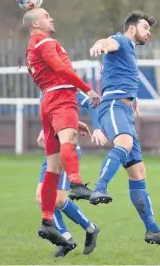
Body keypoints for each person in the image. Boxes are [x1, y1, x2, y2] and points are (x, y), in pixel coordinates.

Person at [82, 10, 160, 248]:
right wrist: (99, 44)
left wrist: (133, 101)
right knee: (123, 144)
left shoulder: (130, 50)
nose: (149, 32)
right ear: (132, 28)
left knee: (138, 174)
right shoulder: (123, 40)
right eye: (146, 27)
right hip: (114, 106)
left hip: (124, 109)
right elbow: (109, 43)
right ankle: (99, 189)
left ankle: (153, 231)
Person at [23, 7, 101, 247]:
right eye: (46, 16)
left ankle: (47, 221)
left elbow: (49, 75)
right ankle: (77, 184)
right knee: (71, 141)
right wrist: (86, 88)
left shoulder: (32, 47)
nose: (52, 18)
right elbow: (61, 70)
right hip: (60, 97)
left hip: (48, 102)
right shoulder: (44, 42)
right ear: (35, 24)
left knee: (54, 167)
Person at [36, 91, 107, 257]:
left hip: (65, 150)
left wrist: (97, 128)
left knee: (57, 199)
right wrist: (43, 131)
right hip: (51, 151)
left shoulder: (65, 83)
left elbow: (92, 102)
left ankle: (90, 229)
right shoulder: (44, 87)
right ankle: (68, 239)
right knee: (42, 197)